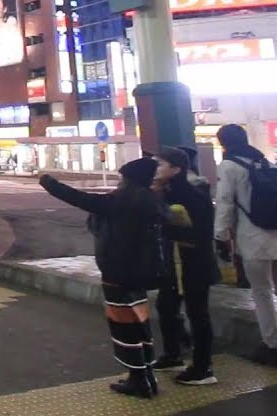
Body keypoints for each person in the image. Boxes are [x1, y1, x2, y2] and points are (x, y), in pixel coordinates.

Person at [40, 159, 165, 399]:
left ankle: (138, 380)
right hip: (141, 273)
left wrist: (49, 183)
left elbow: (81, 199)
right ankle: (147, 375)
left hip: (118, 272)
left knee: (123, 326)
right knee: (139, 323)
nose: (120, 183)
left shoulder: (123, 200)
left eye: (122, 179)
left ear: (130, 180)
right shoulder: (150, 199)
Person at [214, 124, 277, 366]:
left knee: (262, 292)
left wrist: (221, 237)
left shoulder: (230, 166)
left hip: (254, 237)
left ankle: (272, 346)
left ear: (224, 143)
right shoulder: (266, 163)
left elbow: (225, 204)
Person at [151, 147, 220, 386]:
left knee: (197, 313)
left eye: (159, 163)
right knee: (166, 306)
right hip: (174, 263)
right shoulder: (165, 191)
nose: (155, 168)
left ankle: (203, 368)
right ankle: (173, 355)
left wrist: (165, 226)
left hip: (194, 263)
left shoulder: (192, 193)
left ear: (176, 169)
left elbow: (201, 231)